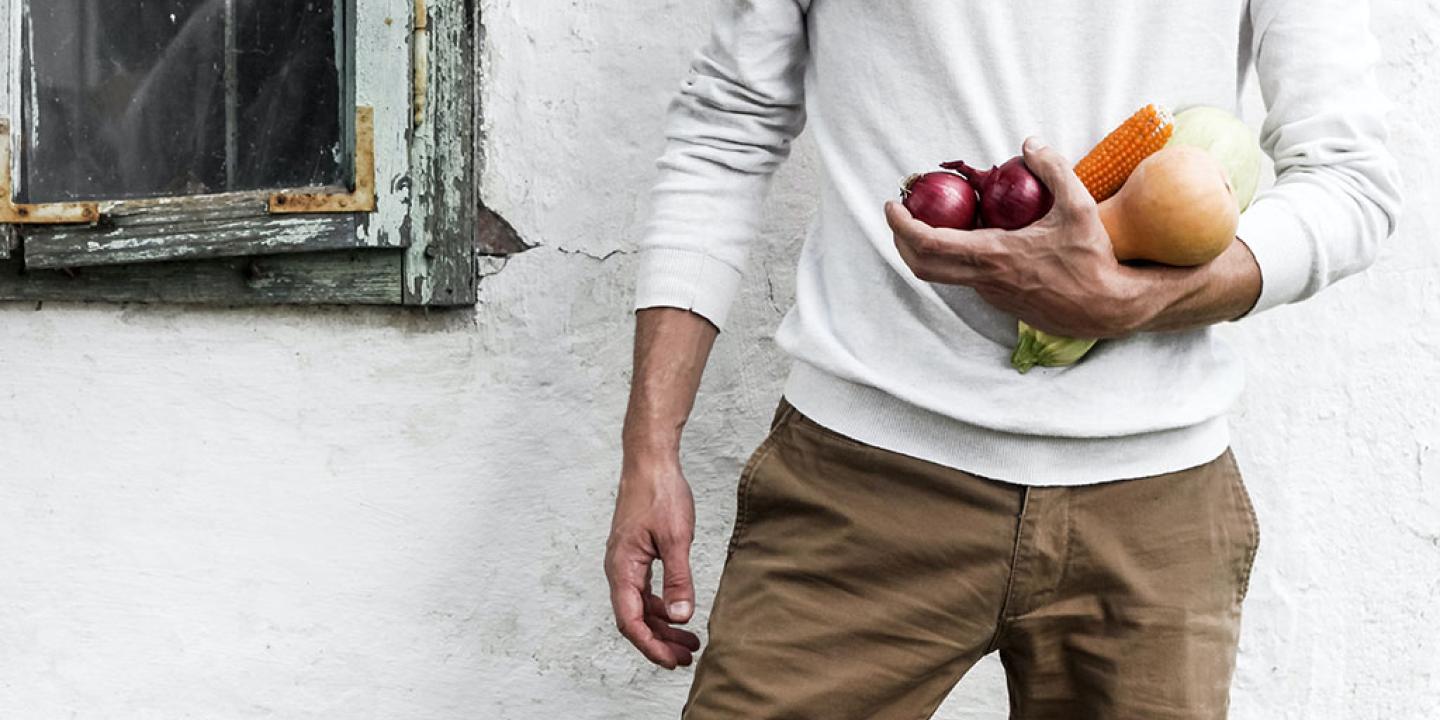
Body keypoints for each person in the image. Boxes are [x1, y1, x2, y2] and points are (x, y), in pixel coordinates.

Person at [604, 1, 1403, 717]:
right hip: (862, 485)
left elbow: (1349, 180)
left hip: (1156, 514)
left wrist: (1136, 300)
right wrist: (650, 447)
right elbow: (726, 131)